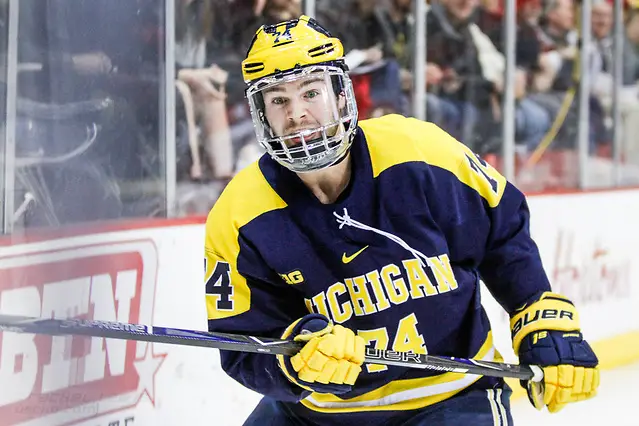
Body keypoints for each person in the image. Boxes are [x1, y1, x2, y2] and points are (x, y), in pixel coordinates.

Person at [203, 15, 599, 426]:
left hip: (451, 394)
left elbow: (502, 230)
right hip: (319, 413)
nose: (297, 113)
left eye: (311, 92)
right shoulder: (239, 213)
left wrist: (538, 315)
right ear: (261, 113)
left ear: (341, 95)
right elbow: (243, 346)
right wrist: (296, 360)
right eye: (278, 100)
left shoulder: (419, 153)